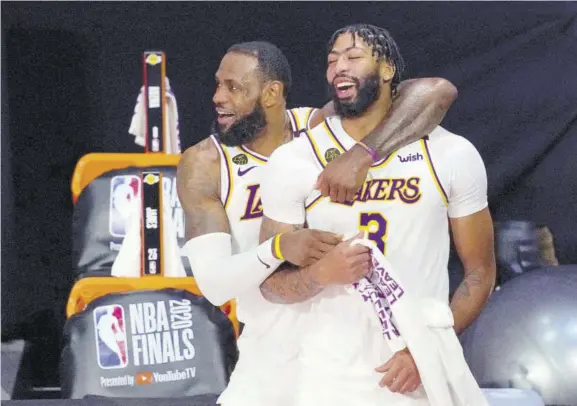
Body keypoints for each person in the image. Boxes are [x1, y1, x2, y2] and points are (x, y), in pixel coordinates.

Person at [178, 40, 458, 406]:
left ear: (271, 93)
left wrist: (363, 153)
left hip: (345, 342)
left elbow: (437, 91)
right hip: (269, 347)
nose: (218, 97)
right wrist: (278, 248)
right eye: (218, 85)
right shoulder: (205, 163)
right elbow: (213, 285)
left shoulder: (317, 128)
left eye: (234, 87)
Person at [258, 24, 496, 406]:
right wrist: (322, 273)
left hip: (417, 372)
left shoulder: (451, 153)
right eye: (332, 60)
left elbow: (480, 272)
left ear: (387, 70)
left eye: (353, 57)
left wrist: (426, 350)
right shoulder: (293, 159)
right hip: (326, 374)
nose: (339, 67)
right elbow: (269, 283)